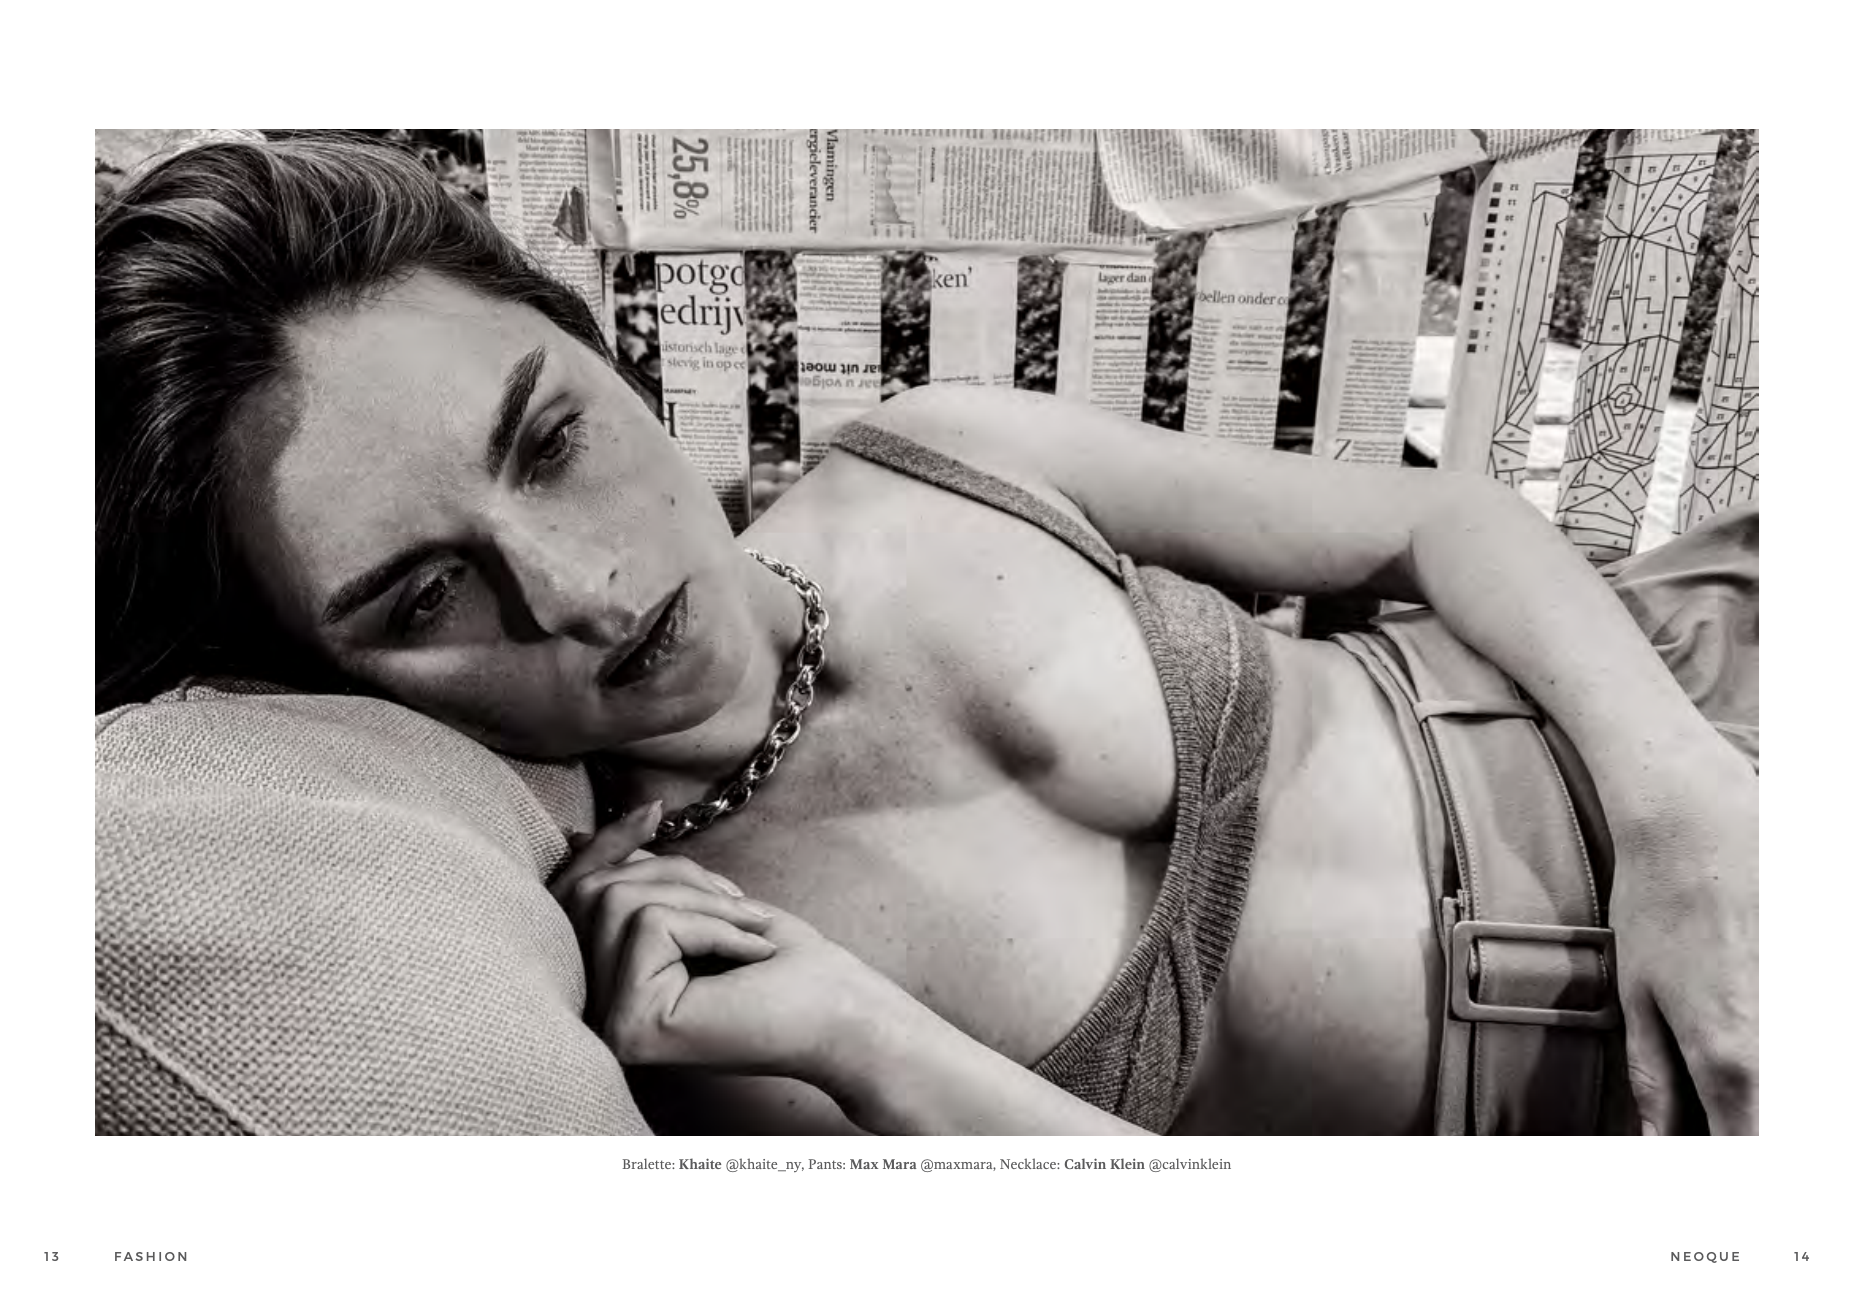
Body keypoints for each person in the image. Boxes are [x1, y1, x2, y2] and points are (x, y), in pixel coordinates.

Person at [96, 135, 1758, 1136]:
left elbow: (1431, 522)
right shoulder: (689, 984)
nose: (581, 588)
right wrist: (863, 1035)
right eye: (426, 595)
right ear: (333, 682)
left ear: (596, 343)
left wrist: (1686, 808)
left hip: (1665, 700)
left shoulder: (923, 454)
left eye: (549, 436)